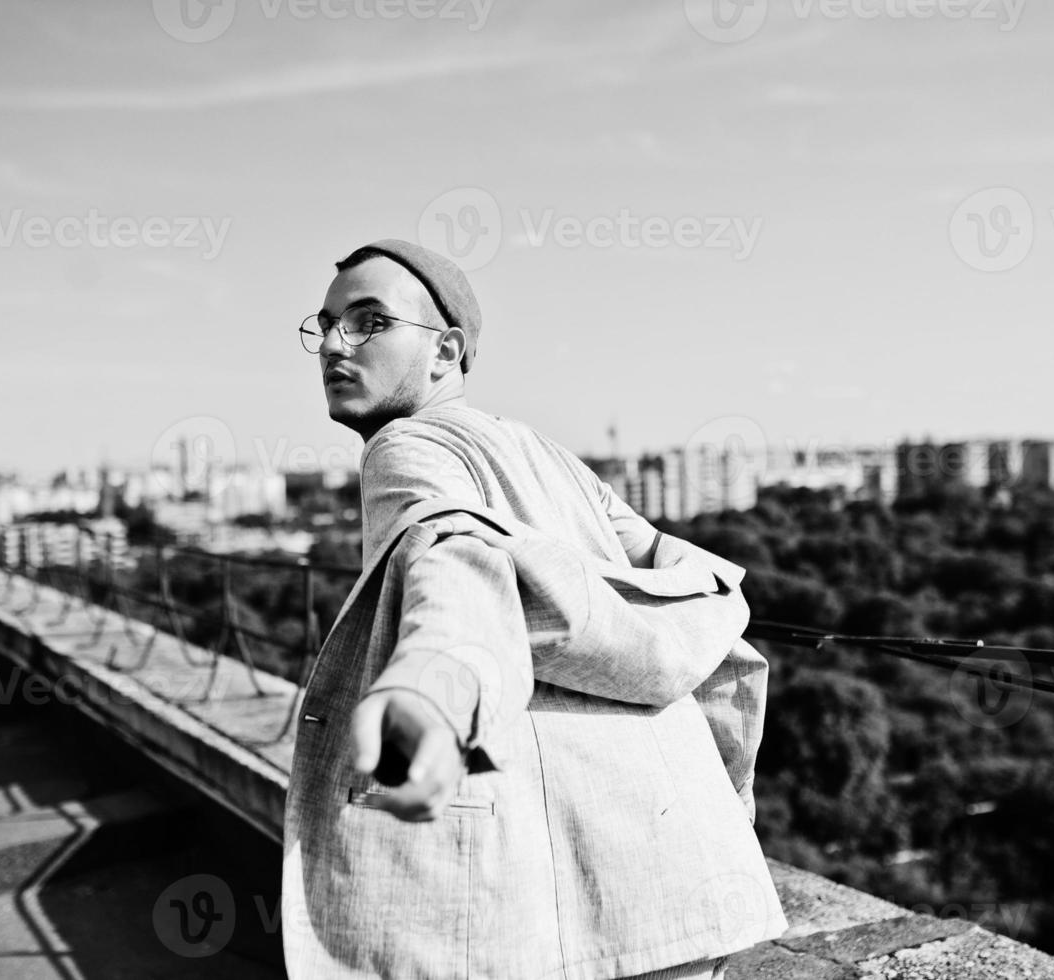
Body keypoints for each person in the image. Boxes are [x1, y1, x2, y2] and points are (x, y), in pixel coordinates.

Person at [280, 240, 786, 979]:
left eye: (367, 322)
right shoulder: (544, 453)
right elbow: (677, 572)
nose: (331, 344)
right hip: (685, 860)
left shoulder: (403, 446)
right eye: (323, 325)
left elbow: (454, 564)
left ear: (444, 350)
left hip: (587, 895)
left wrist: (432, 685)